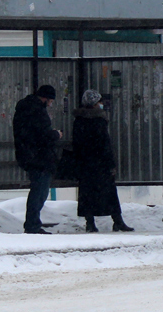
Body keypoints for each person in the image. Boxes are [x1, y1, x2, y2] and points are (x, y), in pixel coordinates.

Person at [72, 89, 133, 233]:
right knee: (110, 193)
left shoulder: (79, 120)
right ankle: (117, 221)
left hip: (85, 163)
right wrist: (111, 163)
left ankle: (90, 223)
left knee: (87, 193)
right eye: (99, 101)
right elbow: (105, 144)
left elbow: (77, 144)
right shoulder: (99, 120)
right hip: (101, 163)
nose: (101, 104)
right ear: (94, 104)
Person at [13, 84, 61, 234]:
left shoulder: (25, 109)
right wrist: (56, 135)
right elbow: (42, 136)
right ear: (46, 98)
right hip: (39, 157)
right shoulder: (37, 111)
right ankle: (32, 224)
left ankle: (33, 223)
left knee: (38, 189)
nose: (51, 104)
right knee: (39, 191)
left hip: (28, 155)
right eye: (51, 100)